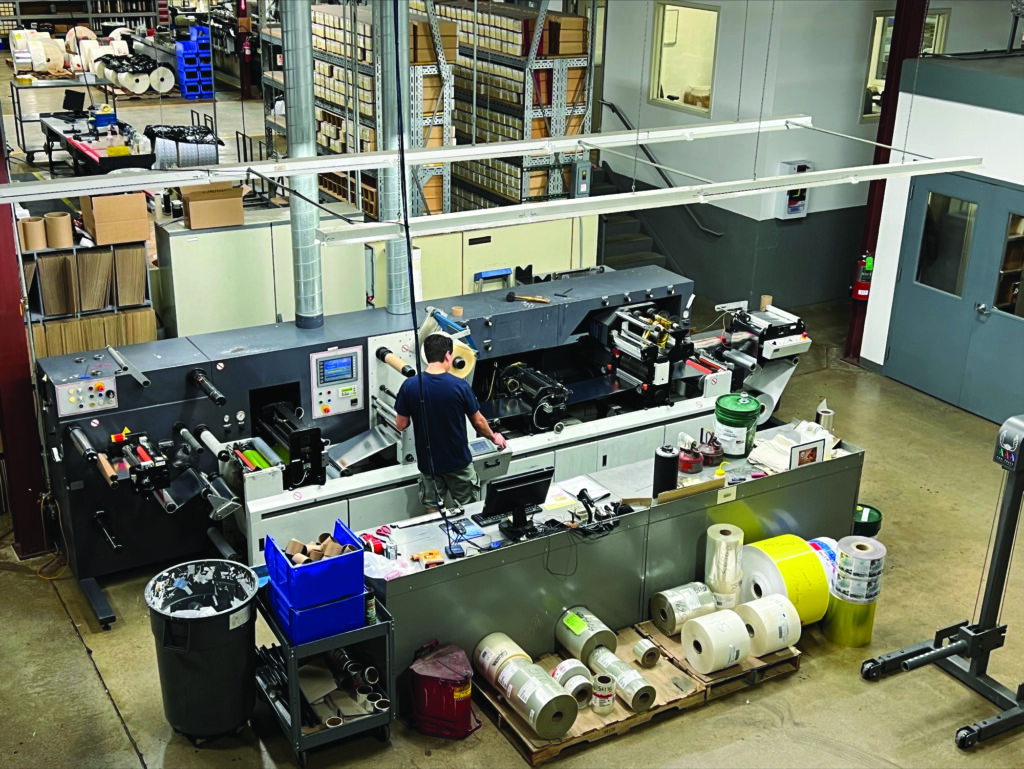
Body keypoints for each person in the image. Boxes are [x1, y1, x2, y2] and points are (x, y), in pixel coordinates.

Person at [394, 333, 506, 511]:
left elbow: (401, 425)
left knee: (433, 513)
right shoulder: (459, 385)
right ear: (448, 355)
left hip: (429, 465)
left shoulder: (410, 386)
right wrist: (494, 438)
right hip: (458, 464)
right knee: (469, 512)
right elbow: (478, 422)